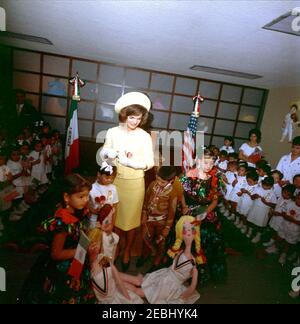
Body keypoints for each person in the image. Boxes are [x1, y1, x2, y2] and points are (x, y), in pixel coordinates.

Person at [18, 174, 96, 304]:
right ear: (66, 197)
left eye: (87, 195)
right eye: (81, 196)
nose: (86, 200)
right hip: (63, 269)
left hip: (77, 261)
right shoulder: (63, 223)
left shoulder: (78, 210)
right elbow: (56, 254)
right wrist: (84, 249)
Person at [99, 92, 154, 271]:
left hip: (135, 184)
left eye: (138, 118)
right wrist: (108, 155)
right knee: (112, 219)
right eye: (131, 117)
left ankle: (128, 250)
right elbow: (104, 153)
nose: (135, 122)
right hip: (115, 182)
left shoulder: (145, 136)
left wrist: (132, 163)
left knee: (130, 222)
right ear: (124, 115)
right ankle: (112, 249)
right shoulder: (113, 132)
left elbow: (149, 163)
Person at [180, 149, 227, 283]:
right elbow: (181, 194)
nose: (208, 166)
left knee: (207, 243)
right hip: (189, 212)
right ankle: (185, 272)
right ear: (198, 161)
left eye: (211, 164)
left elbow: (215, 200)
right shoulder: (189, 175)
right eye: (205, 163)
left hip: (207, 213)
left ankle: (203, 274)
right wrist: (184, 206)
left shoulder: (215, 179)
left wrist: (205, 213)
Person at [88, 204, 144, 304]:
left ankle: (134, 281)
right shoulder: (101, 241)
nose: (110, 222)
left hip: (107, 263)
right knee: (121, 283)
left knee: (116, 276)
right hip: (107, 268)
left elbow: (110, 263)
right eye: (107, 220)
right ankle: (135, 281)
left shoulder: (103, 258)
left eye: (111, 218)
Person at [139, 215, 201, 304]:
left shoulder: (192, 263)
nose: (188, 233)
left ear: (195, 233)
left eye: (191, 230)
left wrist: (183, 297)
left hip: (171, 287)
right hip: (164, 276)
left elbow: (192, 287)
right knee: (142, 288)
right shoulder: (179, 252)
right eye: (185, 230)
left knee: (144, 292)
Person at [137, 166, 178, 270]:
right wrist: (144, 213)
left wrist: (167, 228)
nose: (159, 183)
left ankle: (157, 261)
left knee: (161, 243)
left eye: (162, 182)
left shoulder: (173, 192)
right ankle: (145, 255)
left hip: (162, 221)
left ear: (171, 181)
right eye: (157, 179)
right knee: (145, 238)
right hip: (149, 219)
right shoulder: (152, 185)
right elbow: (146, 200)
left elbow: (172, 211)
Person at [89, 161, 118, 229]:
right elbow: (87, 205)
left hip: (108, 222)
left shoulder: (113, 188)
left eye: (112, 178)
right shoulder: (91, 188)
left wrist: (112, 224)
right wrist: (93, 210)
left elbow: (115, 206)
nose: (110, 180)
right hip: (94, 222)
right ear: (99, 174)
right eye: (107, 178)